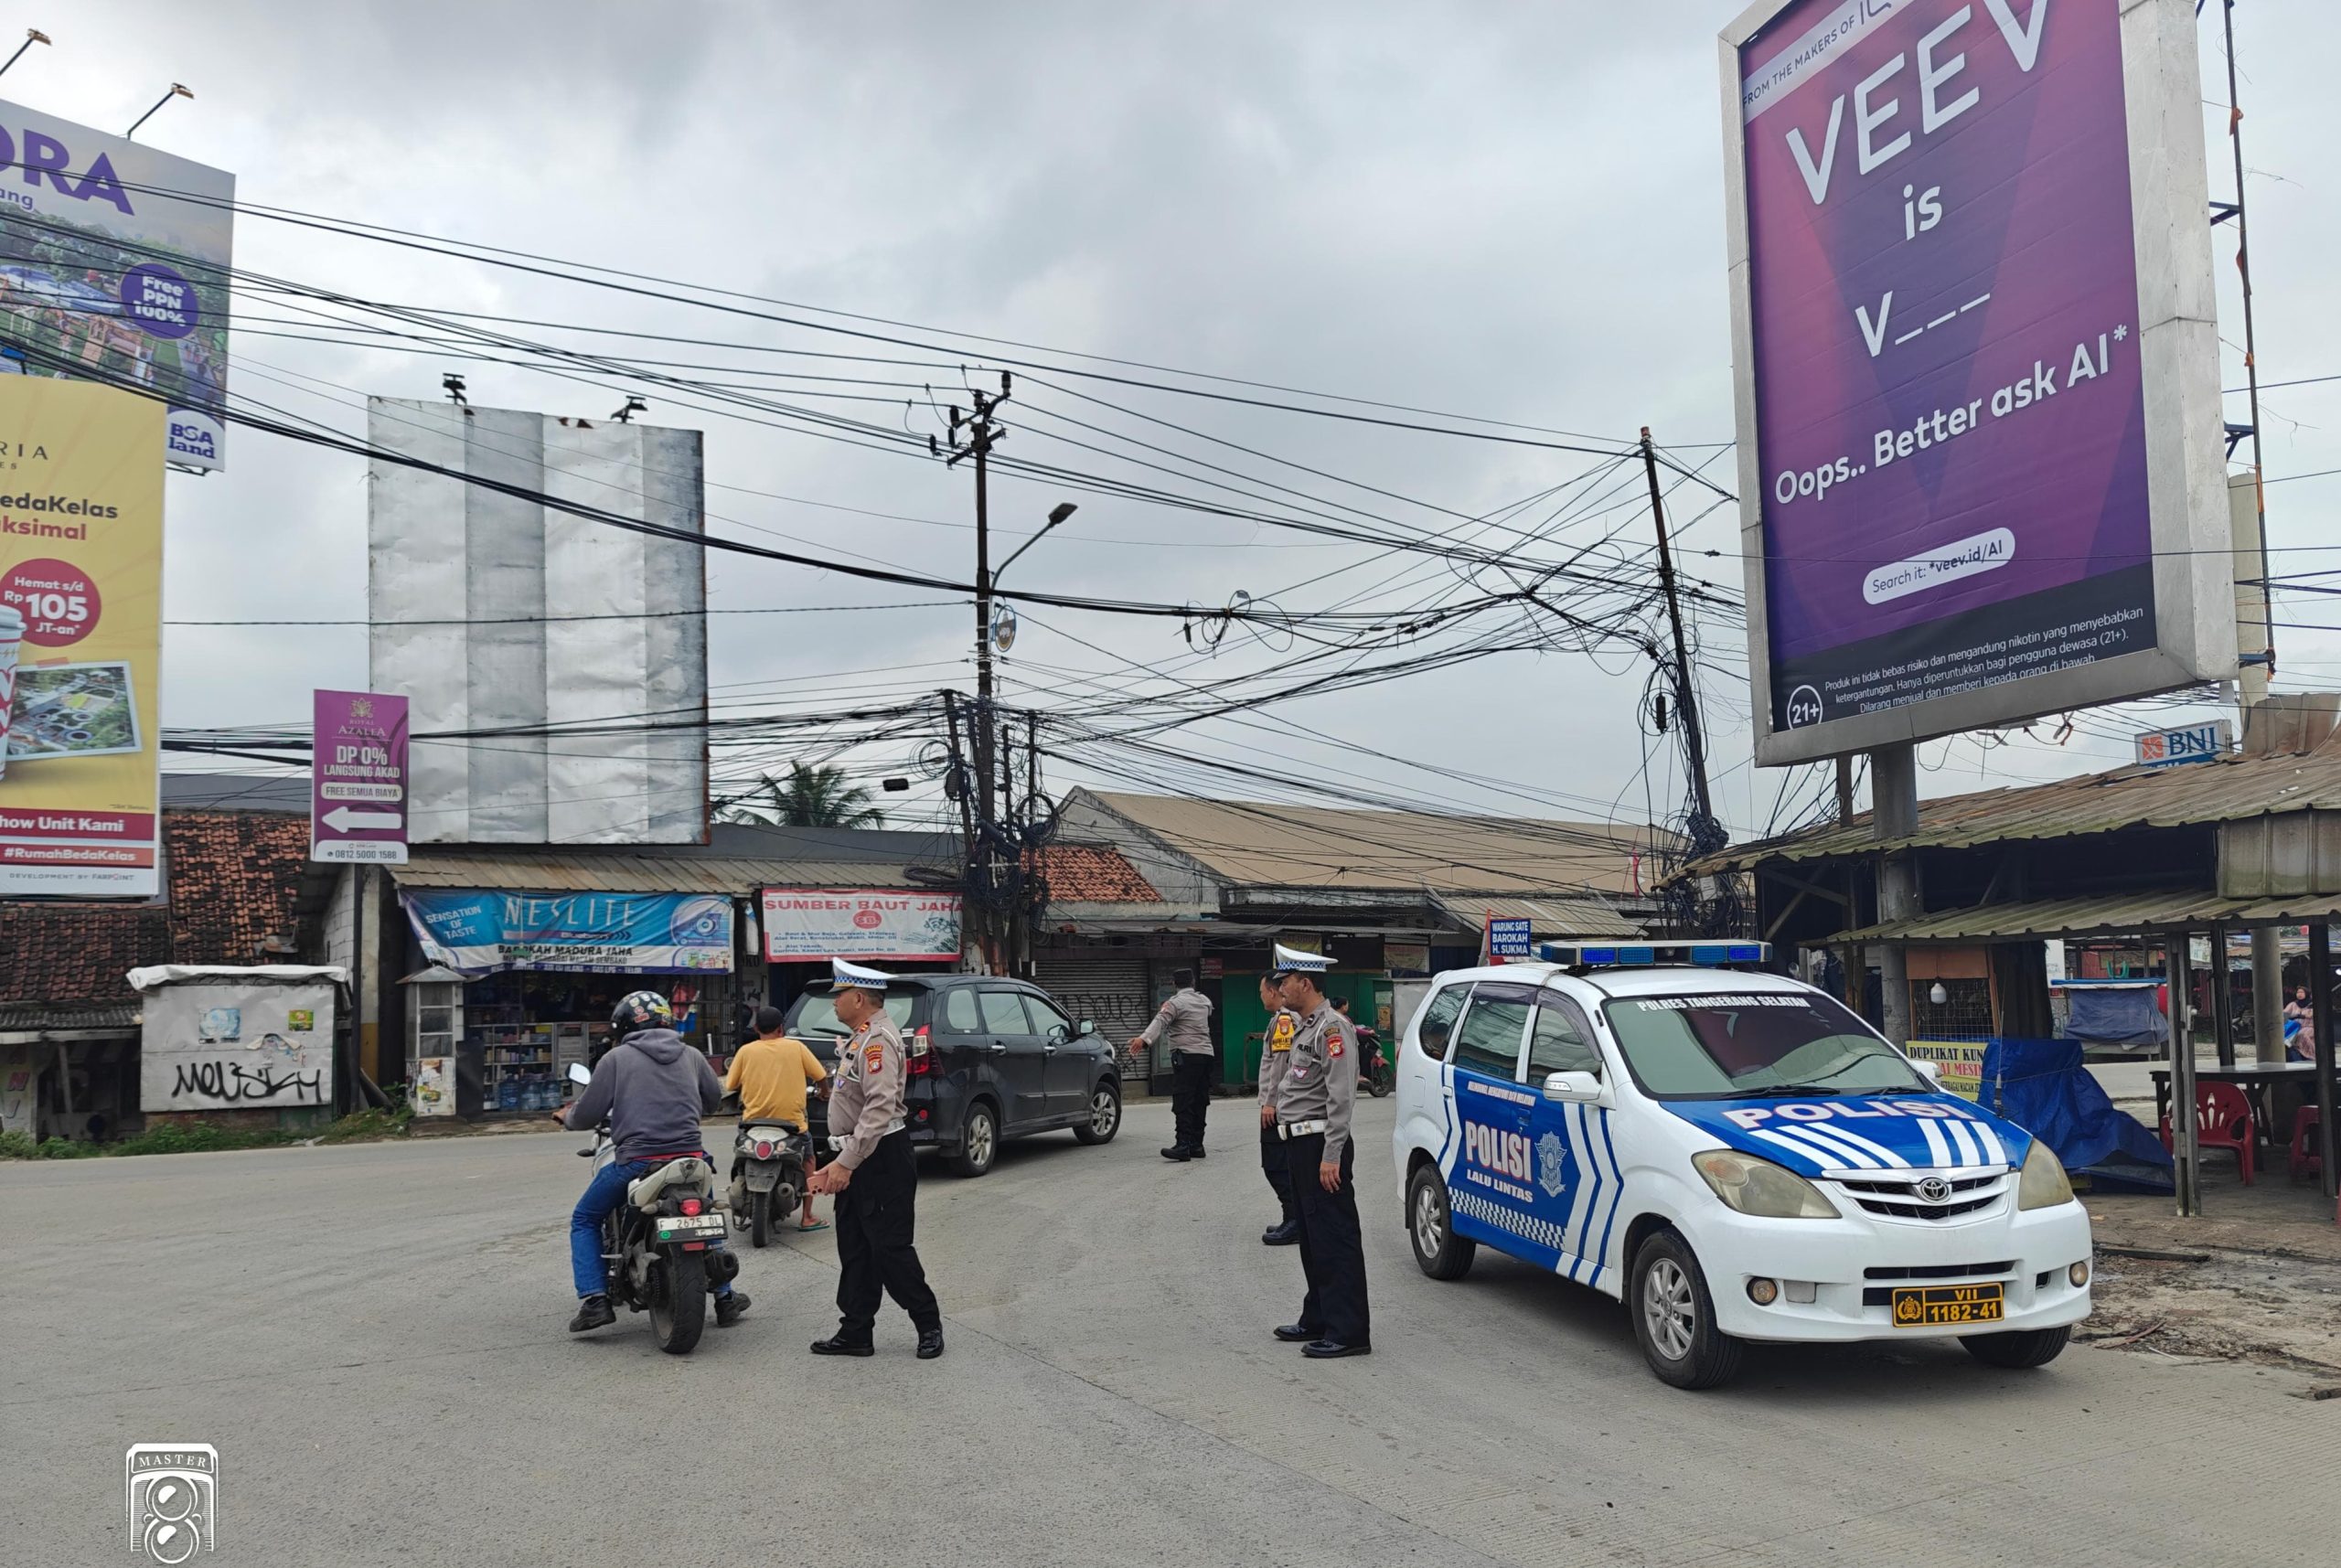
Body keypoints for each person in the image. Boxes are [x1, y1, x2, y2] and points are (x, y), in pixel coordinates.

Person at [560, 990, 748, 1334]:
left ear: (624, 1026)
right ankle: (725, 1296)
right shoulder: (693, 1055)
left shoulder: (616, 1059)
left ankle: (595, 1301)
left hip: (637, 1161)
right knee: (704, 1218)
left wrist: (567, 1116)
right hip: (691, 1161)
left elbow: (586, 1114)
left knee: (585, 1218)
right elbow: (712, 1102)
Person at [806, 959, 945, 1359]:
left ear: (859, 998)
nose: (834, 1003)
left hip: (880, 1156)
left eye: (839, 996)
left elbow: (880, 1107)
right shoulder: (862, 1037)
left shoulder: (878, 1041)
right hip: (859, 1152)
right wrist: (839, 1158)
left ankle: (928, 1323)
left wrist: (847, 1162)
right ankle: (856, 1331)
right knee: (855, 1248)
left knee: (889, 1248)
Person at [1267, 944, 1370, 1359]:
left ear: (1305, 983)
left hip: (1320, 1146)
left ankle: (1349, 1332)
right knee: (1312, 1238)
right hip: (1299, 1144)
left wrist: (1332, 1155)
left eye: (1286, 981)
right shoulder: (1305, 1026)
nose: (1280, 989)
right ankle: (1319, 1317)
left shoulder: (1332, 1029)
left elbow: (1341, 1098)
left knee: (1335, 1237)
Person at [724, 1003, 832, 1232]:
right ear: (781, 1028)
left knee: (740, 1156)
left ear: (756, 1028)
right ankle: (807, 1216)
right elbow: (820, 1075)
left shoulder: (745, 1051)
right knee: (809, 1159)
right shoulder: (796, 1048)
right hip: (792, 1125)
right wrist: (824, 1092)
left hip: (753, 1124)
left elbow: (731, 1084)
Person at [1133, 968, 1215, 1160]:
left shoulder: (1175, 1003)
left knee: (1183, 1100)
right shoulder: (1205, 1001)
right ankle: (1197, 1145)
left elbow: (1160, 1021)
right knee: (1200, 1099)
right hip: (1206, 1056)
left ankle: (1183, 1145)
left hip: (1186, 1056)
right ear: (1193, 982)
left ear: (1174, 984)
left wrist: (1143, 1040)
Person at [1256, 976, 1300, 1245]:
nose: (1261, 996)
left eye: (1262, 991)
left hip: (1279, 1106)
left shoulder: (1284, 1021)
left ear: (1273, 992)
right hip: (1281, 1104)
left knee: (1276, 1165)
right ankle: (1291, 1216)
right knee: (1279, 1163)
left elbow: (1281, 1065)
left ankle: (1294, 1219)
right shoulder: (1283, 1019)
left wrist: (1270, 1102)